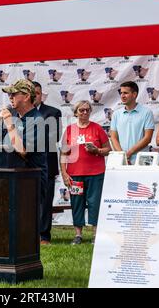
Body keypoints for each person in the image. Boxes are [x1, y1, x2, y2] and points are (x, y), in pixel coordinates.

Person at [0, 79, 48, 232]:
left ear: (26, 96)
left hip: (30, 179)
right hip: (15, 176)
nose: (10, 97)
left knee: (24, 224)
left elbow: (22, 149)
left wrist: (8, 122)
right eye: (9, 94)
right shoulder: (19, 120)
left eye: (14, 93)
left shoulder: (37, 120)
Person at [60, 100, 111, 245]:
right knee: (77, 203)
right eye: (81, 110)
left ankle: (95, 234)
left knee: (95, 203)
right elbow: (63, 153)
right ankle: (78, 235)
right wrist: (64, 172)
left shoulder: (97, 128)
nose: (85, 112)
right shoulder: (70, 130)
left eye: (87, 110)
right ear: (75, 113)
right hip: (75, 173)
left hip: (96, 173)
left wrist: (97, 150)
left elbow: (108, 149)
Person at [33, 81, 62, 245]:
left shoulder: (53, 112)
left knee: (45, 201)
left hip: (46, 164)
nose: (34, 96)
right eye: (32, 93)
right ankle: (28, 234)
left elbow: (54, 137)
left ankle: (44, 236)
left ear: (41, 94)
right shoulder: (18, 114)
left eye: (37, 93)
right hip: (25, 164)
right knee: (26, 201)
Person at [110, 81, 155, 165]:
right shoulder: (116, 114)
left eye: (125, 93)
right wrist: (122, 155)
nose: (122, 96)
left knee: (142, 179)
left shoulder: (147, 113)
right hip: (121, 160)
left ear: (134, 94)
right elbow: (113, 137)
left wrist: (129, 153)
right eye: (121, 93)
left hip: (142, 160)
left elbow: (147, 138)